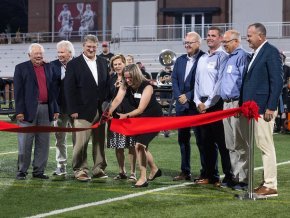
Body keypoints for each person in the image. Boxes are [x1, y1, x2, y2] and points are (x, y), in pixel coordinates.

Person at [239, 23, 283, 197]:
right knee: (262, 145)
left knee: (266, 146)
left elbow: (277, 81)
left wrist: (271, 106)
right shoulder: (257, 53)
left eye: (250, 35)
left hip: (264, 108)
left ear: (260, 36)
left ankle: (271, 185)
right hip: (255, 108)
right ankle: (267, 182)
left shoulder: (270, 52)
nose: (247, 38)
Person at [108, 64, 163, 188]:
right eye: (125, 78)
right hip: (140, 119)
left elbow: (140, 109)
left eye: (130, 78)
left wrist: (125, 116)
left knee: (139, 145)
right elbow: (117, 100)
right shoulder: (125, 84)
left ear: (136, 75)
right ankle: (154, 169)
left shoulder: (147, 86)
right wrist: (109, 112)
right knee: (142, 147)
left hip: (153, 119)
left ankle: (143, 178)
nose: (127, 80)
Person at [64, 34, 109, 182]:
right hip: (81, 110)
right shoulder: (73, 64)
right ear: (83, 46)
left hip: (101, 110)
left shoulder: (103, 62)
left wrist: (107, 107)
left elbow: (106, 86)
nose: (91, 49)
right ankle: (80, 169)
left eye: (94, 47)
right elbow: (69, 89)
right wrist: (73, 110)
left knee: (100, 142)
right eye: (88, 46)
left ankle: (98, 168)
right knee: (80, 143)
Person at [194, 26, 233, 187]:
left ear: (220, 38)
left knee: (222, 143)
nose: (209, 38)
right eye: (208, 35)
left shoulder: (223, 57)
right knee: (205, 142)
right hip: (201, 103)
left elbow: (219, 83)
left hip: (216, 104)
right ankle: (211, 175)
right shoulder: (202, 58)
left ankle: (229, 176)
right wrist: (197, 101)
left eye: (213, 35)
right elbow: (196, 82)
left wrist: (207, 103)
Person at [14, 43, 59, 180]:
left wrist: (55, 109)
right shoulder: (21, 68)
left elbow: (53, 90)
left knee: (43, 142)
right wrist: (19, 111)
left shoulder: (49, 67)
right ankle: (22, 171)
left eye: (40, 54)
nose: (39, 56)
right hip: (27, 111)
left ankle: (39, 171)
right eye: (36, 54)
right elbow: (18, 92)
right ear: (29, 55)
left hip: (46, 109)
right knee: (25, 142)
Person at [171, 31, 205, 181]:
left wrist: (189, 96)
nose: (187, 45)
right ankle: (185, 171)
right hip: (181, 106)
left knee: (202, 140)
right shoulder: (179, 60)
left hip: (196, 106)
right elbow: (174, 80)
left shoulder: (204, 58)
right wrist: (180, 96)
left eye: (190, 42)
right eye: (185, 42)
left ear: (198, 43)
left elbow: (204, 83)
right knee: (183, 140)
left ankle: (207, 172)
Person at [220, 30, 250, 189]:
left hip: (237, 103)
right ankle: (236, 176)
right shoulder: (228, 58)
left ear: (236, 41)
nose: (224, 44)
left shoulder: (242, 56)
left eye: (227, 41)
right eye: (223, 42)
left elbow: (245, 81)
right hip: (226, 104)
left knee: (241, 143)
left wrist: (241, 104)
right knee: (230, 144)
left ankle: (244, 179)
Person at [106, 54, 137, 181]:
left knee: (131, 145)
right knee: (118, 145)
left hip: (129, 115)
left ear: (124, 63)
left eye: (119, 63)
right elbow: (109, 96)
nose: (117, 66)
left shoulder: (130, 77)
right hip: (115, 116)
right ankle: (121, 171)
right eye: (115, 64)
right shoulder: (111, 79)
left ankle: (133, 173)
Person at [50, 40, 75, 177]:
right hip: (59, 109)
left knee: (78, 138)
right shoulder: (52, 65)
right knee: (59, 138)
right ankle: (61, 165)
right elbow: (51, 89)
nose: (59, 55)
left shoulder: (78, 65)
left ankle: (78, 167)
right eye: (58, 52)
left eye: (62, 52)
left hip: (75, 109)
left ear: (70, 53)